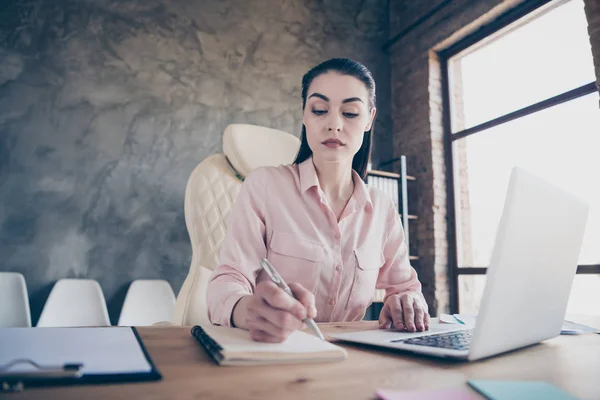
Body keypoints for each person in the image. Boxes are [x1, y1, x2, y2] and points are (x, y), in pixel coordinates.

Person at [206, 58, 429, 343]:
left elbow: (405, 288)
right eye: (320, 110)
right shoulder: (264, 186)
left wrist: (409, 302)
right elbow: (226, 282)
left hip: (348, 359)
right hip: (274, 352)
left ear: (369, 120)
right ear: (304, 115)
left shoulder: (381, 207)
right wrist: (246, 310)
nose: (333, 124)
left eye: (350, 113)